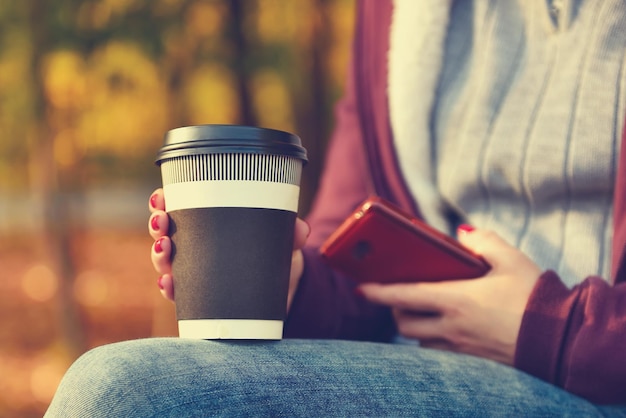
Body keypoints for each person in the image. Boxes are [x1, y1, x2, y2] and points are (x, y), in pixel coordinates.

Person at [46, 1, 626, 416]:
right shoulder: (392, 13)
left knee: (124, 393)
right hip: (425, 359)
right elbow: (350, 242)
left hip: (596, 380)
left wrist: (556, 329)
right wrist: (289, 281)